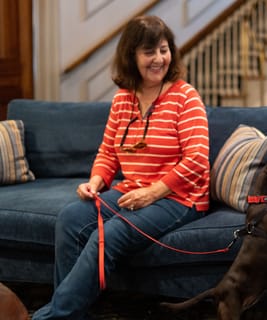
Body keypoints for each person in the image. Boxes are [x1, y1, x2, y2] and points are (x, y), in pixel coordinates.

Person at [32, 15, 210, 320]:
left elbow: (197, 160)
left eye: (164, 50)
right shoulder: (122, 99)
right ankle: (74, 312)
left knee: (111, 234)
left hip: (180, 197)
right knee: (71, 218)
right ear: (131, 56)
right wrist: (95, 182)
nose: (159, 59)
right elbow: (108, 154)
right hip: (132, 191)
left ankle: (54, 316)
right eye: (149, 52)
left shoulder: (185, 97)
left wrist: (153, 192)